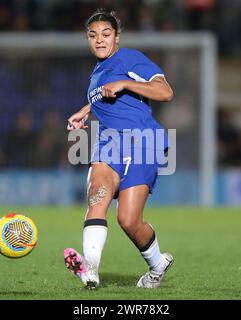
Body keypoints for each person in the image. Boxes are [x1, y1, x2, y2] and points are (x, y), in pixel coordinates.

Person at [64, 8, 174, 289]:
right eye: (93, 35)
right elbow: (110, 95)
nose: (99, 40)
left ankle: (157, 263)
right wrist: (87, 109)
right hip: (110, 143)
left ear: (117, 37)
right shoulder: (98, 71)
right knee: (97, 197)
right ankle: (90, 270)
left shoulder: (129, 58)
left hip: (143, 143)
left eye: (105, 34)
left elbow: (165, 92)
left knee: (128, 220)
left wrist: (126, 82)